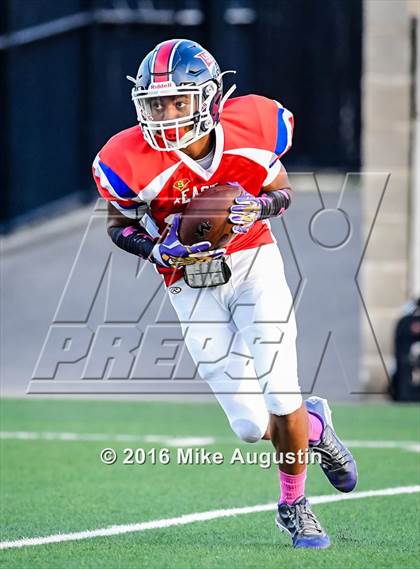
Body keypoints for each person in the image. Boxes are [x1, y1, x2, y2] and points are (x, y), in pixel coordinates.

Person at [92, 38, 357, 549]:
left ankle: (294, 505)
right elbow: (118, 224)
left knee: (282, 389)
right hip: (188, 283)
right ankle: (317, 426)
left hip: (253, 261)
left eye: (178, 101)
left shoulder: (253, 126)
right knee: (248, 424)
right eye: (156, 103)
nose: (166, 114)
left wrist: (260, 208)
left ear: (210, 98)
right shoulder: (125, 158)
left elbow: (281, 189)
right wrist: (157, 251)